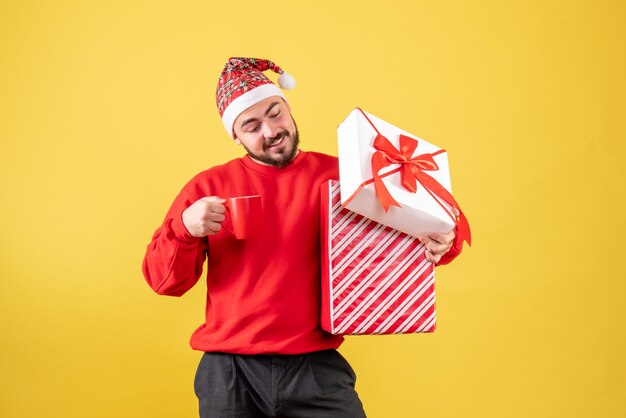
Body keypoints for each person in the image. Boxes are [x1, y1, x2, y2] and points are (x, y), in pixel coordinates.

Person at [142, 57, 459, 418]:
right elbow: (164, 281)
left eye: (274, 113)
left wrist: (440, 242)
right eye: (251, 125)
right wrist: (184, 228)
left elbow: (414, 231)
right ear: (236, 135)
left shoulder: (344, 177)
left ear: (288, 107)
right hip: (231, 371)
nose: (270, 131)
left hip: (316, 367)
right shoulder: (207, 188)